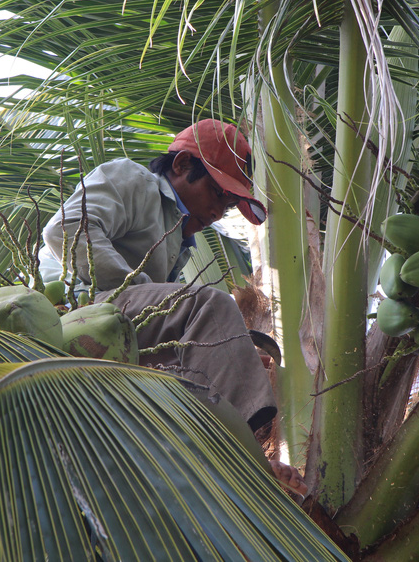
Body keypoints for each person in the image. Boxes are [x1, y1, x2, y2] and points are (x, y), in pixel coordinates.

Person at [39, 119, 307, 496]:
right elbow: (64, 229)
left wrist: (233, 350)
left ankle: (215, 445)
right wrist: (147, 288)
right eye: (216, 194)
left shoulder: (178, 235)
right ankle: (245, 453)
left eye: (228, 204)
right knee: (211, 305)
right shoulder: (137, 181)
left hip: (123, 330)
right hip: (83, 310)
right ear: (181, 166)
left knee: (221, 337)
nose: (218, 212)